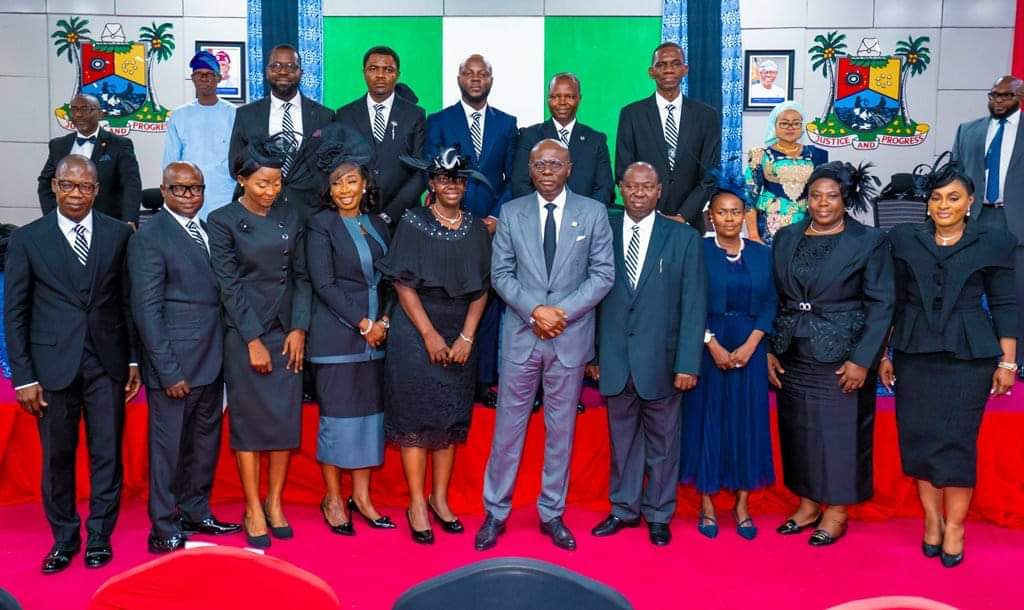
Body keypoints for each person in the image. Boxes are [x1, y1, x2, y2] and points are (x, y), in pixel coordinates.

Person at [5, 154, 141, 573]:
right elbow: (15, 312)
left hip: (107, 364)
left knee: (106, 455)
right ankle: (64, 538)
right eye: (68, 185)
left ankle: (100, 536)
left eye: (85, 187)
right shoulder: (29, 239)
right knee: (57, 459)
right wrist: (24, 376)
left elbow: (126, 300)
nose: (76, 193)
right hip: (51, 369)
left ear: (97, 190)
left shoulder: (119, 234)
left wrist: (133, 360)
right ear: (55, 187)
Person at [476, 139, 614, 552]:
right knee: (506, 431)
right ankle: (495, 511)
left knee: (561, 432)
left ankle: (552, 512)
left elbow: (603, 274)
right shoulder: (512, 212)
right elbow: (500, 275)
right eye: (540, 164)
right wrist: (536, 311)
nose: (548, 169)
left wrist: (560, 313)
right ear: (530, 170)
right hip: (522, 335)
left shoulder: (593, 212)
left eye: (556, 163)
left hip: (569, 339)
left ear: (569, 167)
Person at [879, 156, 1017, 567]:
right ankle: (932, 522)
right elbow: (896, 300)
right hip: (913, 352)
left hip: (968, 355)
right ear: (927, 203)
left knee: (956, 444)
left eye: (953, 198)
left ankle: (956, 527)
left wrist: (1007, 363)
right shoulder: (904, 239)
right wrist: (887, 352)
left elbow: (1007, 304)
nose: (943, 205)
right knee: (919, 440)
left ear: (970, 202)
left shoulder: (994, 241)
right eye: (936, 198)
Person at [767, 161, 894, 546]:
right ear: (806, 199)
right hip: (793, 349)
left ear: (845, 199)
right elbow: (774, 295)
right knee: (799, 430)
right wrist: (771, 350)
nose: (823, 203)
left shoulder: (868, 240)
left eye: (832, 196)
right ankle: (807, 504)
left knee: (841, 435)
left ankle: (837, 511)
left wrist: (862, 359)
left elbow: (883, 303)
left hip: (844, 353)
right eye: (816, 196)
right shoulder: (786, 237)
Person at [376, 148, 492, 544]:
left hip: (461, 333)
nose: (452, 186)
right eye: (444, 179)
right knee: (415, 422)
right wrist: (428, 334)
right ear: (432, 183)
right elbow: (403, 284)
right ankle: (416, 504)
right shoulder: (413, 222)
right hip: (416, 331)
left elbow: (483, 287)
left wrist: (467, 337)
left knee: (448, 422)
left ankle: (440, 499)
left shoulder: (476, 228)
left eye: (458, 180)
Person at [587, 162, 705, 547]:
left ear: (659, 192)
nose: (638, 193)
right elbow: (592, 300)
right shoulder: (602, 231)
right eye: (632, 187)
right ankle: (623, 509)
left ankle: (658, 514)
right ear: (621, 189)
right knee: (623, 442)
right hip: (615, 359)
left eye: (647, 187)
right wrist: (593, 355)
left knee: (664, 443)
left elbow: (693, 305)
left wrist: (688, 362)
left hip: (664, 361)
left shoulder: (683, 238)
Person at [128, 162, 241, 554]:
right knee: (168, 449)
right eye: (179, 189)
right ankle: (162, 526)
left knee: (204, 444)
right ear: (163, 190)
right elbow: (146, 310)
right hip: (174, 366)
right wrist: (166, 370)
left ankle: (196, 511)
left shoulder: (207, 229)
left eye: (195, 189)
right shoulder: (150, 236)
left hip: (212, 361)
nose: (189, 196)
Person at [207, 135, 311, 548]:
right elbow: (228, 285)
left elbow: (302, 276)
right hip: (245, 331)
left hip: (287, 333)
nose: (271, 191)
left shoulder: (290, 213)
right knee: (250, 426)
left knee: (285, 423)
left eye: (276, 183)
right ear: (241, 179)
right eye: (262, 184)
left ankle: (274, 502)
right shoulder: (222, 219)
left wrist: (299, 328)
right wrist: (251, 338)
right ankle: (251, 506)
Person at [304, 123, 395, 535]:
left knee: (369, 420)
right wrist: (363, 325)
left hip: (377, 339)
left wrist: (385, 322)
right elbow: (323, 284)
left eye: (351, 181)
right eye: (337, 182)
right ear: (328, 188)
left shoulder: (378, 223)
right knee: (338, 421)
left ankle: (362, 497)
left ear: (364, 184)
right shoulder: (320, 225)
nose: (344, 189)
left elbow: (392, 278)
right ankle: (334, 498)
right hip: (338, 338)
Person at [679, 172, 777, 541]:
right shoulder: (698, 250)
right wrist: (713, 345)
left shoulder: (761, 253)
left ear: (744, 215)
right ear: (711, 217)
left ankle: (742, 506)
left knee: (746, 423)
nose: (730, 218)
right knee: (708, 421)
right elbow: (689, 301)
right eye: (723, 212)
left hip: (750, 346)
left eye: (736, 212)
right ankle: (706, 505)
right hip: (708, 345)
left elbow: (770, 302)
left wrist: (752, 345)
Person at [426, 53, 518, 406]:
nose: (476, 79)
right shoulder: (439, 121)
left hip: (492, 229)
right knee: (450, 298)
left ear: (491, 80)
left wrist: (495, 218)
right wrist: (452, 214)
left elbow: (513, 179)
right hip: (449, 224)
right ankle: (448, 371)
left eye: (483, 74)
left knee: (489, 300)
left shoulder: (508, 124)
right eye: (470, 73)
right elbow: (431, 173)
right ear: (459, 77)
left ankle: (483, 381)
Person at [952, 75, 1024, 375]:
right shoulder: (967, 131)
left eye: (1006, 96)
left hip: (1016, 222)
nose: (998, 100)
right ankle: (965, 352)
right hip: (973, 221)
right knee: (965, 289)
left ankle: (1016, 360)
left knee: (1017, 294)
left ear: (1019, 97)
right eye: (993, 95)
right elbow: (954, 177)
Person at [616, 42, 720, 233]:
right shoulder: (631, 114)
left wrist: (683, 216)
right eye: (661, 65)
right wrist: (649, 212)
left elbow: (710, 174)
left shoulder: (706, 116)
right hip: (643, 220)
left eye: (675, 63)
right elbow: (624, 170)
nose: (668, 69)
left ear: (685, 69)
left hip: (690, 224)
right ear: (651, 72)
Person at [229, 44, 335, 215]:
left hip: (310, 212)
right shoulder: (246, 114)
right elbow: (235, 166)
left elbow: (330, 167)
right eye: (276, 66)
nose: (283, 71)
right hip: (260, 211)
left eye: (291, 66)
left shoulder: (325, 116)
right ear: (266, 71)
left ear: (301, 72)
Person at [335, 46, 426, 230]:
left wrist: (389, 214)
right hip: (356, 217)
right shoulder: (344, 115)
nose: (380, 75)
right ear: (364, 73)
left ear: (397, 74)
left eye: (388, 70)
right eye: (373, 69)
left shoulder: (415, 115)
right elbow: (340, 167)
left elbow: (421, 170)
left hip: (404, 218)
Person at [511, 73, 614, 205]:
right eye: (555, 97)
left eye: (569, 96)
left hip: (585, 221)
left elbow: (604, 188)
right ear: (548, 99)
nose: (562, 102)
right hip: (540, 219)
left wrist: (585, 216)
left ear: (579, 98)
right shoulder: (529, 136)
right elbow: (520, 184)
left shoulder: (596, 140)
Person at [37, 94, 142, 225]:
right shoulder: (59, 145)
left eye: (85, 109)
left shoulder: (119, 145)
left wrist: (129, 221)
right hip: (65, 223)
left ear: (100, 114)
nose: (79, 114)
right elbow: (45, 183)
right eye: (74, 109)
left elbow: (131, 185)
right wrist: (52, 216)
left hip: (107, 223)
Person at [163, 51, 238, 221]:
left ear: (219, 78)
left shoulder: (234, 114)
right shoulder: (179, 116)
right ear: (193, 78)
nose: (204, 78)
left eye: (209, 74)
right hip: (188, 194)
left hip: (225, 194)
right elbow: (170, 162)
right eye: (198, 74)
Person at [744, 101, 828, 245]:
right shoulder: (760, 156)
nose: (790, 127)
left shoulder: (816, 155)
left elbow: (823, 195)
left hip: (806, 226)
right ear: (774, 125)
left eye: (796, 123)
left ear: (802, 126)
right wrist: (753, 236)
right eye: (784, 123)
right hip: (770, 229)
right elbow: (748, 198)